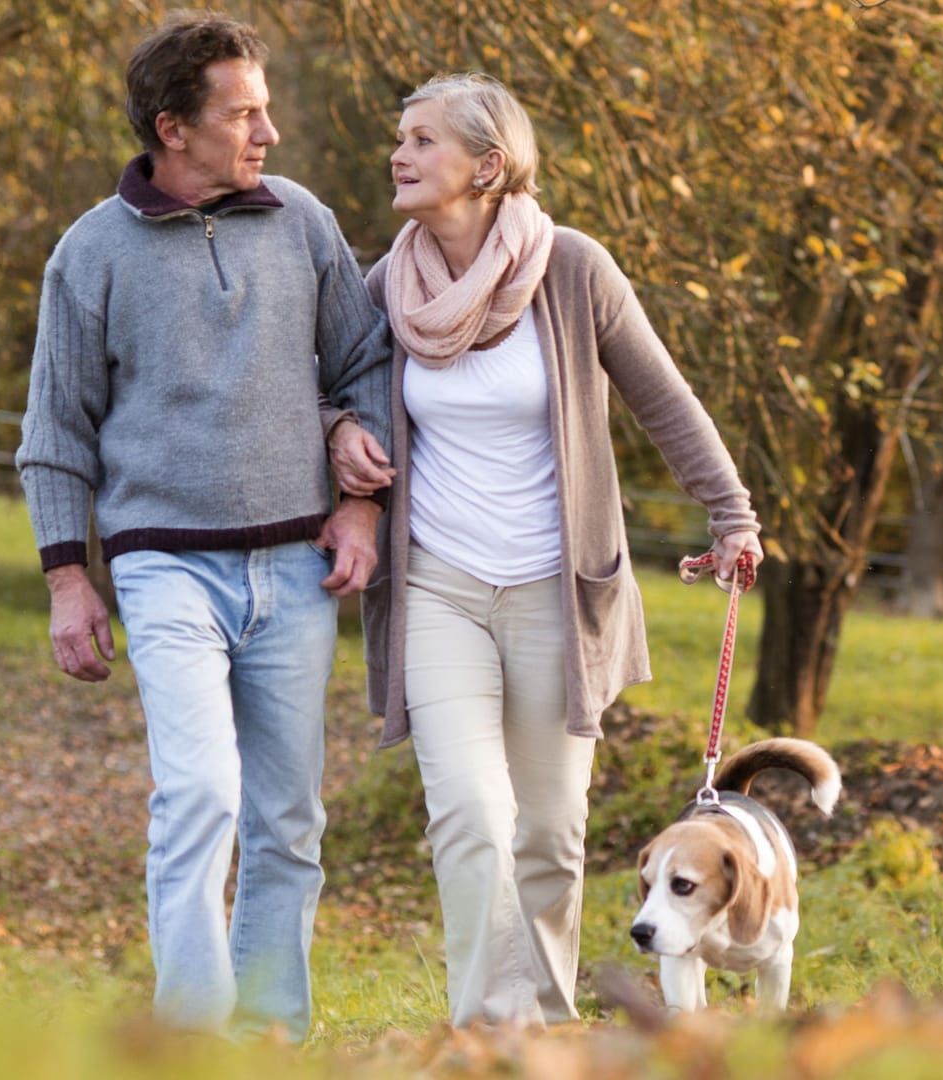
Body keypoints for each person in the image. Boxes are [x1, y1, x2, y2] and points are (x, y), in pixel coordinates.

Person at [327, 72, 763, 1027]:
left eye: (420, 140)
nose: (397, 156)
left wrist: (731, 514)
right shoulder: (384, 285)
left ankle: (549, 1027)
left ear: (488, 166)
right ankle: (493, 1032)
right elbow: (329, 384)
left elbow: (662, 396)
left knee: (553, 834)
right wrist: (335, 435)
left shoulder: (571, 269)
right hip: (438, 585)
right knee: (471, 818)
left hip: (557, 595)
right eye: (398, 139)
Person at [15, 14, 393, 1042]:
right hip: (164, 569)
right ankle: (188, 1041)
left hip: (295, 568)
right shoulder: (90, 252)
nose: (267, 131)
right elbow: (55, 427)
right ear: (173, 129)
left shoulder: (305, 222)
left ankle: (267, 1036)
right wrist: (65, 578)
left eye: (266, 109)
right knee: (198, 791)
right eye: (244, 114)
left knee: (288, 819)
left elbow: (365, 364)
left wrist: (361, 502)